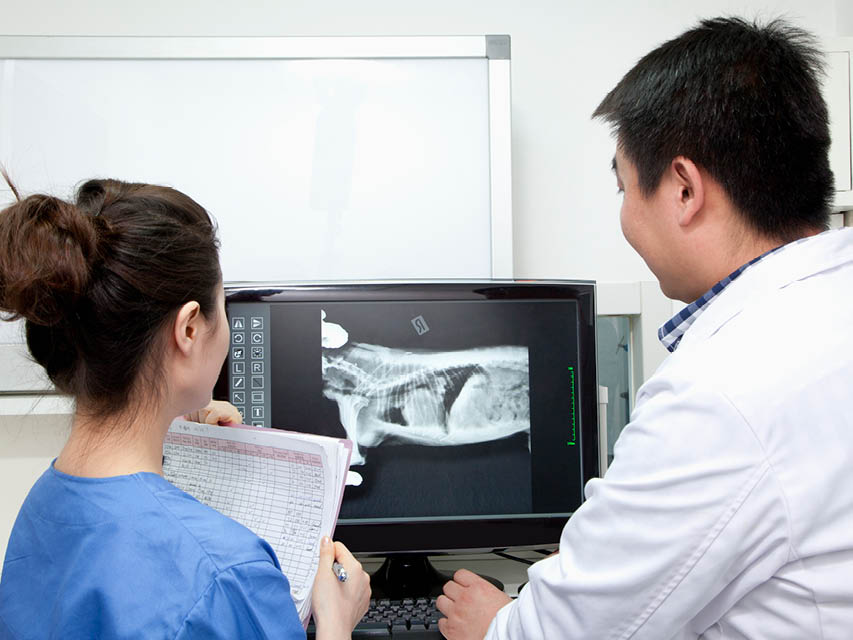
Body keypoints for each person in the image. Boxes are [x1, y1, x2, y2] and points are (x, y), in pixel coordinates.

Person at [437, 16, 853, 639]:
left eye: (624, 186)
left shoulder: (722, 392)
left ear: (684, 190)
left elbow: (568, 633)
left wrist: (499, 623)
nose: (626, 216)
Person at [0, 177, 370, 638]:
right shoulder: (226, 576)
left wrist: (171, 441)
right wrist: (337, 623)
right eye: (224, 305)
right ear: (189, 329)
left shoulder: (40, 509)